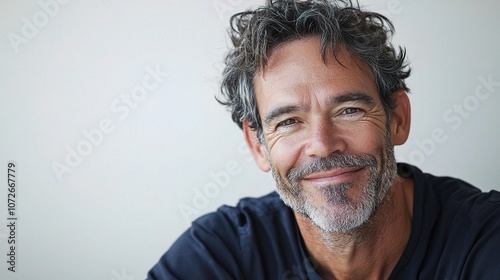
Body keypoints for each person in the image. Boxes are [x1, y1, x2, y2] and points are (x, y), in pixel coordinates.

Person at [148, 0, 500, 279]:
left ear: (397, 118)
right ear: (258, 145)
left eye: (349, 110)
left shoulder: (482, 240)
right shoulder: (220, 254)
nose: (323, 144)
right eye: (289, 121)